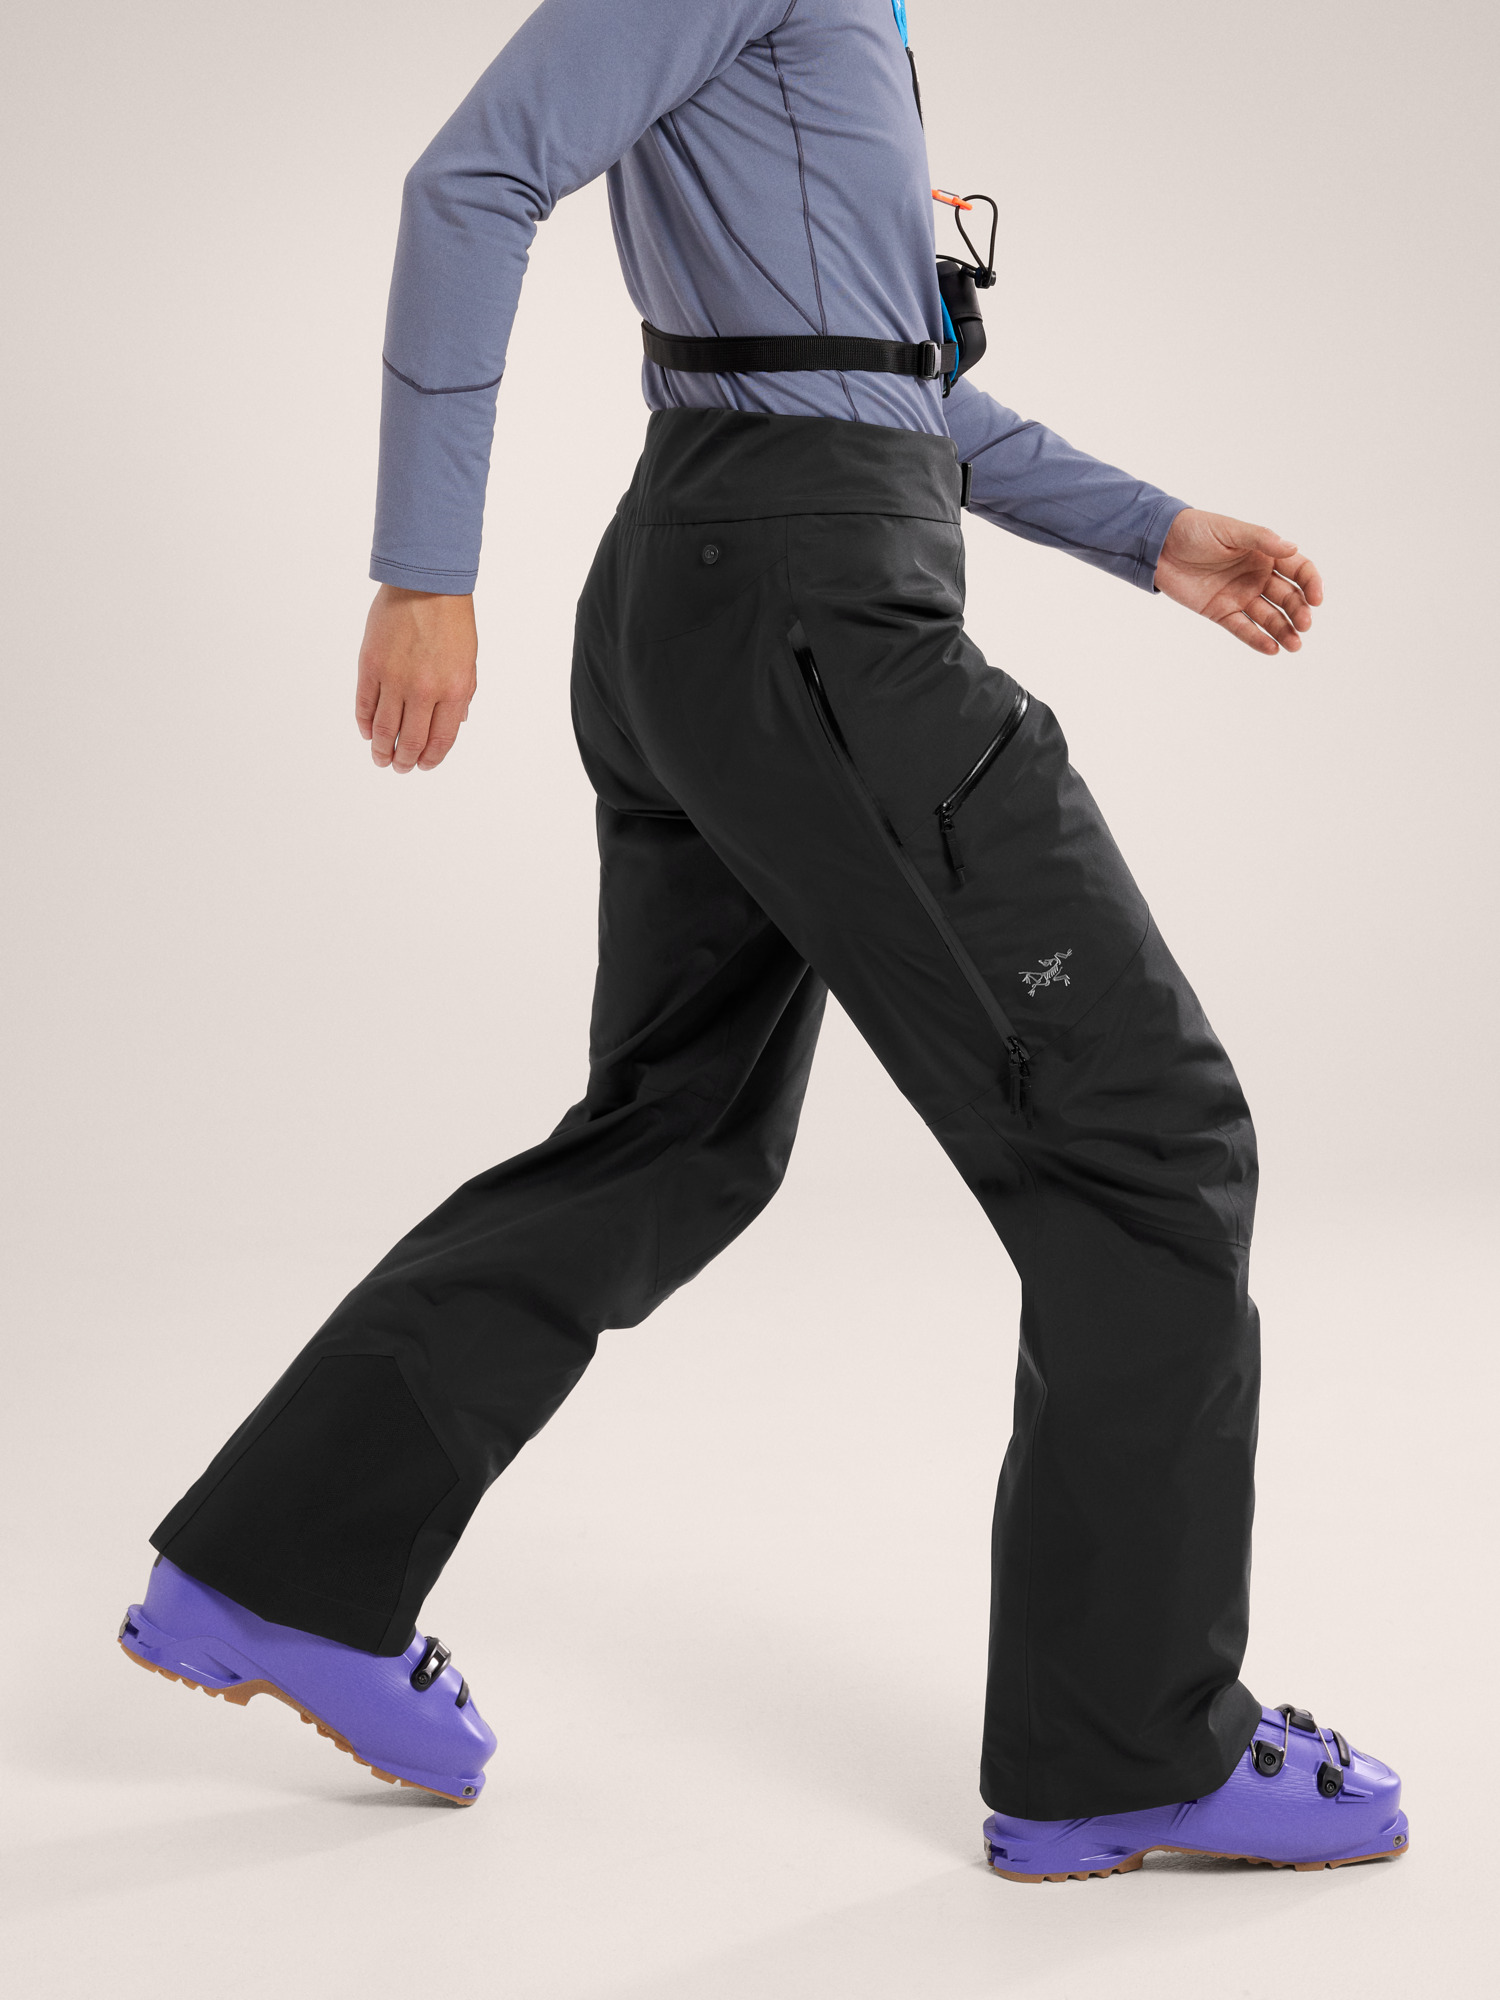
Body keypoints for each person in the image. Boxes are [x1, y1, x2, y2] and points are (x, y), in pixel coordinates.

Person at [119, 0, 1408, 1878]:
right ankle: (1127, 1748)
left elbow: (862, 373)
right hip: (810, 606)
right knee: (1150, 1140)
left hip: (722, 588)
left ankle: (282, 1571)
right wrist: (423, 568)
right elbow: (472, 177)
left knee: (678, 1131)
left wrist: (1150, 533)